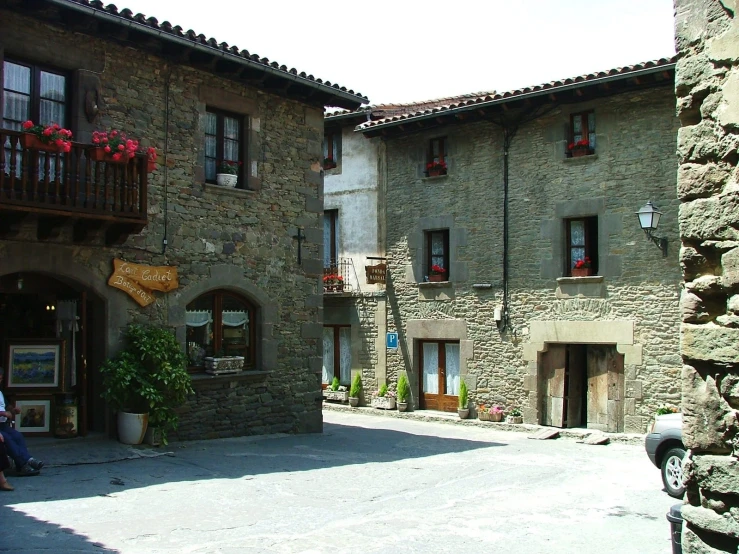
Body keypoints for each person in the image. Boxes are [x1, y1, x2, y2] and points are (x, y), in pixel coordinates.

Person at [0, 371, 44, 476]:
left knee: (17, 435)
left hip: (2, 424)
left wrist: (13, 410)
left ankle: (27, 460)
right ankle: (24, 463)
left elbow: (6, 405)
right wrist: (3, 413)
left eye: (0, 379)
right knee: (7, 439)